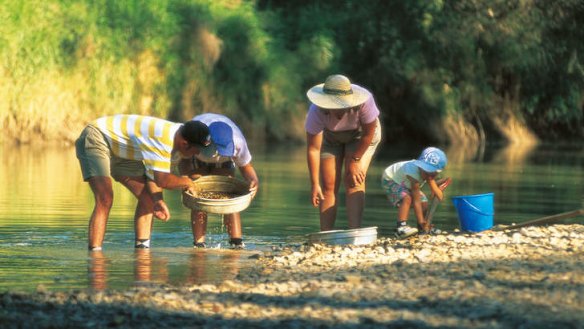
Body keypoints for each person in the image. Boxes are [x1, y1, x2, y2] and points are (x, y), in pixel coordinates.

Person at [75, 114, 211, 251]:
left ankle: (142, 251)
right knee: (105, 198)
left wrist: (158, 200)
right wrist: (188, 182)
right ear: (185, 144)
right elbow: (163, 180)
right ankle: (95, 256)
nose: (198, 153)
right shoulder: (163, 139)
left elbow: (154, 178)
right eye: (197, 149)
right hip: (98, 136)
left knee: (149, 200)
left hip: (125, 151)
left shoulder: (177, 147)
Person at [305, 74, 382, 231]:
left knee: (353, 179)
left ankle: (354, 232)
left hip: (361, 137)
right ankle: (325, 235)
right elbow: (313, 149)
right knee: (328, 185)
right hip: (330, 138)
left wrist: (355, 160)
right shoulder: (316, 111)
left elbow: (368, 134)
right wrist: (314, 184)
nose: (337, 110)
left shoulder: (365, 102)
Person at [178, 113, 259, 249]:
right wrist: (186, 179)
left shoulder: (238, 143)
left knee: (229, 195)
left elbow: (246, 167)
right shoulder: (195, 136)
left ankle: (236, 242)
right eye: (218, 150)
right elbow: (183, 160)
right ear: (207, 143)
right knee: (198, 193)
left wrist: (254, 182)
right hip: (197, 156)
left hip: (224, 162)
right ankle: (199, 244)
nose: (219, 153)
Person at [381, 147, 448, 238]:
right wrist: (420, 221)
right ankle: (401, 227)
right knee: (407, 198)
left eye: (430, 173)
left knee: (424, 201)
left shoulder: (430, 176)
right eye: (424, 170)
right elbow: (416, 201)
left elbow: (435, 190)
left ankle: (423, 228)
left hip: (405, 182)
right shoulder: (413, 172)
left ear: (436, 173)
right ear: (419, 165)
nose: (426, 174)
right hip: (391, 179)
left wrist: (440, 184)